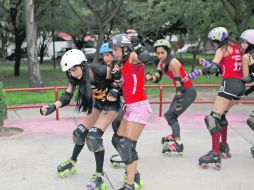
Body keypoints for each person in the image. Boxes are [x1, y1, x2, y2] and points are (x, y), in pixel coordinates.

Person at [40, 48, 121, 190]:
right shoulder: (74, 78)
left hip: (112, 105)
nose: (73, 73)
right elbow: (66, 96)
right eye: (70, 71)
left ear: (83, 65)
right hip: (98, 104)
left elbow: (119, 79)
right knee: (79, 134)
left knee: (93, 138)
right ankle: (72, 161)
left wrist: (115, 89)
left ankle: (99, 175)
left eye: (75, 69)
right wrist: (53, 106)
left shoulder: (99, 71)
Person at [197, 27, 245, 169]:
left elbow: (213, 69)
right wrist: (209, 63)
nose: (213, 44)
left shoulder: (221, 50)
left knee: (212, 118)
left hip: (229, 85)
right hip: (240, 87)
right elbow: (227, 66)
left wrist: (204, 70)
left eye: (213, 41)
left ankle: (215, 153)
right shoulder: (237, 48)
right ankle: (224, 146)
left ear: (218, 40)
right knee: (221, 116)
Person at [108, 33, 152, 190]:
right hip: (130, 107)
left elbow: (145, 57)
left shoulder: (133, 57)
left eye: (115, 49)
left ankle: (130, 184)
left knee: (127, 145)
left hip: (139, 107)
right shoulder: (123, 64)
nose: (114, 53)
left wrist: (135, 43)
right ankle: (135, 176)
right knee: (117, 140)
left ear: (125, 49)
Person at [146, 39, 197, 156]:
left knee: (171, 115)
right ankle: (174, 136)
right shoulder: (162, 62)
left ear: (168, 52)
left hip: (187, 91)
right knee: (169, 115)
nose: (160, 55)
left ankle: (178, 144)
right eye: (158, 53)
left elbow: (179, 83)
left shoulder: (173, 63)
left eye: (162, 53)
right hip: (181, 91)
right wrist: (150, 78)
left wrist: (179, 101)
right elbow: (157, 77)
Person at [239, 29, 254, 157]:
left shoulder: (247, 56)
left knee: (252, 120)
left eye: (244, 42)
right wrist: (247, 91)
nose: (242, 45)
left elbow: (246, 77)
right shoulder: (249, 56)